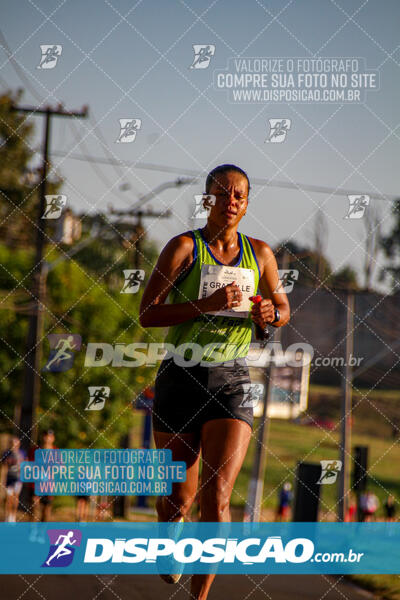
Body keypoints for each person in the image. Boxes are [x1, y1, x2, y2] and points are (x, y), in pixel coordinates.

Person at [139, 164, 290, 599]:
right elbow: (148, 314)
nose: (231, 202)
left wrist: (270, 315)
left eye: (239, 195)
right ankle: (169, 533)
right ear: (208, 200)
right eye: (222, 194)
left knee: (218, 497)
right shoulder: (184, 247)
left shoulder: (260, 254)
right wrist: (203, 305)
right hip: (180, 377)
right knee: (177, 500)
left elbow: (281, 307)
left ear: (247, 203)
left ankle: (200, 596)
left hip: (232, 380)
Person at [29, 429, 56, 522]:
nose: (47, 438)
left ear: (53, 438)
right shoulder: (34, 450)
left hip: (49, 486)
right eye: (45, 436)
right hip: (35, 484)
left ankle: (42, 533)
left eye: (49, 436)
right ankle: (33, 531)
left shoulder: (56, 451)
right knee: (34, 507)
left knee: (46, 511)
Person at [1, 435, 26, 522]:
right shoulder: (6, 453)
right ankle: (7, 516)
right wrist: (3, 479)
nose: (14, 445)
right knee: (8, 498)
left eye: (16, 443)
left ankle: (13, 516)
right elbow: (4, 467)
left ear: (19, 444)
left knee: (15, 498)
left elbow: (24, 465)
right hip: (9, 478)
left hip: (18, 479)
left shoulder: (22, 453)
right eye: (12, 443)